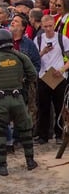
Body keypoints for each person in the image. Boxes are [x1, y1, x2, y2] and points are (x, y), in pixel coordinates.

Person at [0, 29, 38, 176]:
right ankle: (30, 161)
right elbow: (33, 74)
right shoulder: (21, 57)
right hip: (18, 98)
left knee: (0, 131)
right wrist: (23, 87)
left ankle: (2, 165)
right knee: (25, 129)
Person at [34, 15, 69, 144]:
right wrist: (43, 52)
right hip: (44, 76)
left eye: (50, 26)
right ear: (42, 26)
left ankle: (59, 134)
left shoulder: (62, 39)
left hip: (58, 76)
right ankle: (43, 135)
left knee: (60, 107)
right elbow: (34, 59)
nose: (48, 29)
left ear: (54, 25)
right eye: (46, 26)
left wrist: (62, 70)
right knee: (43, 107)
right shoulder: (37, 39)